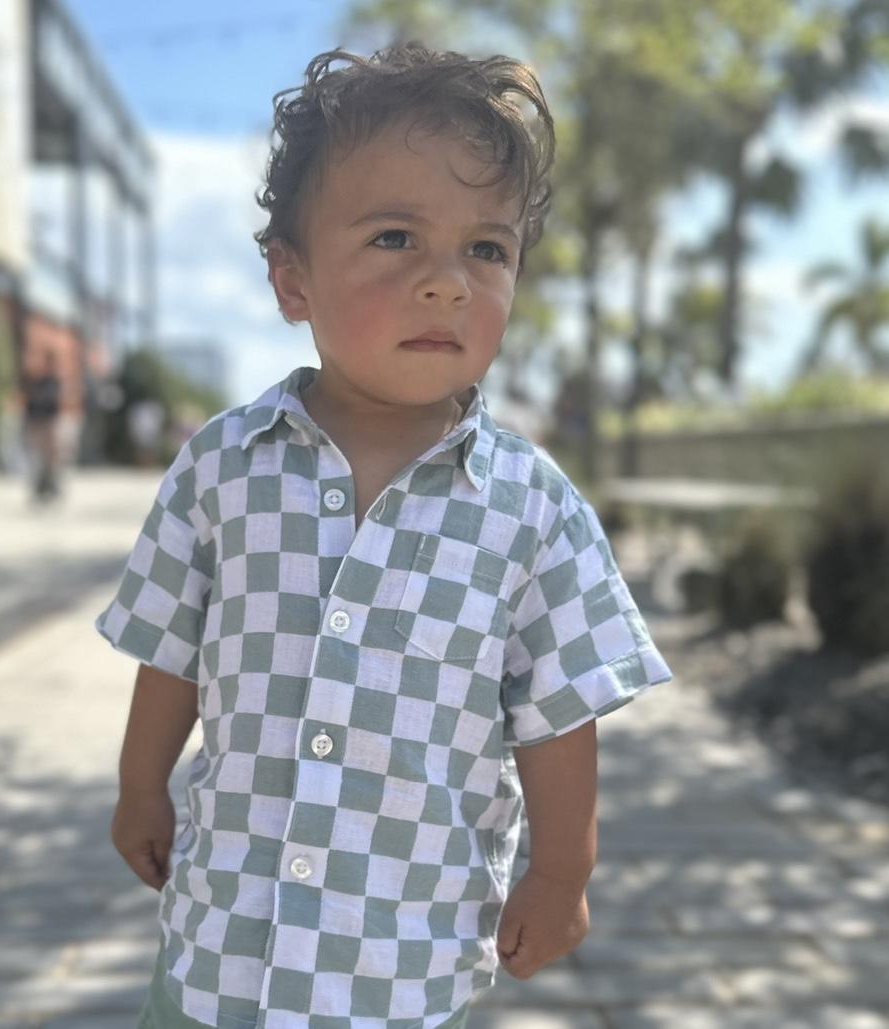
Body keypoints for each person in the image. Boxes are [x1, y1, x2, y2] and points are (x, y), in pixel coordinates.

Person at [97, 43, 672, 1029]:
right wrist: (139, 785)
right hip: (220, 959)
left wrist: (561, 871)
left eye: (486, 249)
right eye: (396, 238)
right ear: (293, 281)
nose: (447, 283)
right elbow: (172, 651)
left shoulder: (534, 510)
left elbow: (557, 712)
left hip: (402, 971)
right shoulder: (222, 466)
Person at [22, 349, 63, 502]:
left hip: (49, 424)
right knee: (38, 458)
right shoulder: (37, 382)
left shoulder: (54, 382)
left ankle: (51, 487)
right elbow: (30, 405)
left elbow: (53, 404)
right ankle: (40, 488)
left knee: (50, 459)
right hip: (38, 424)